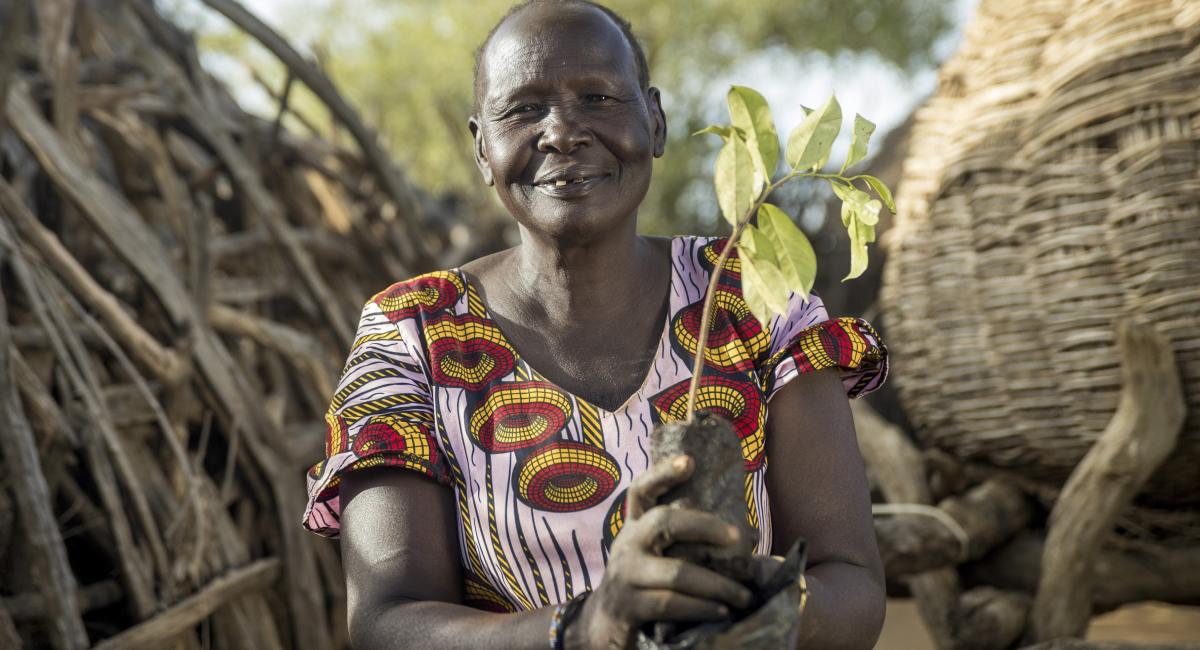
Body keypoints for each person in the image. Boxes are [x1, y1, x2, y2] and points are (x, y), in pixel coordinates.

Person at [301, 1, 889, 647]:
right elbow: (388, 622)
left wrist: (748, 609)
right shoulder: (415, 332)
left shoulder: (756, 296)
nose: (562, 131)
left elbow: (851, 582)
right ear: (482, 148)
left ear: (656, 122)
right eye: (523, 108)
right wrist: (591, 627)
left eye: (599, 97)